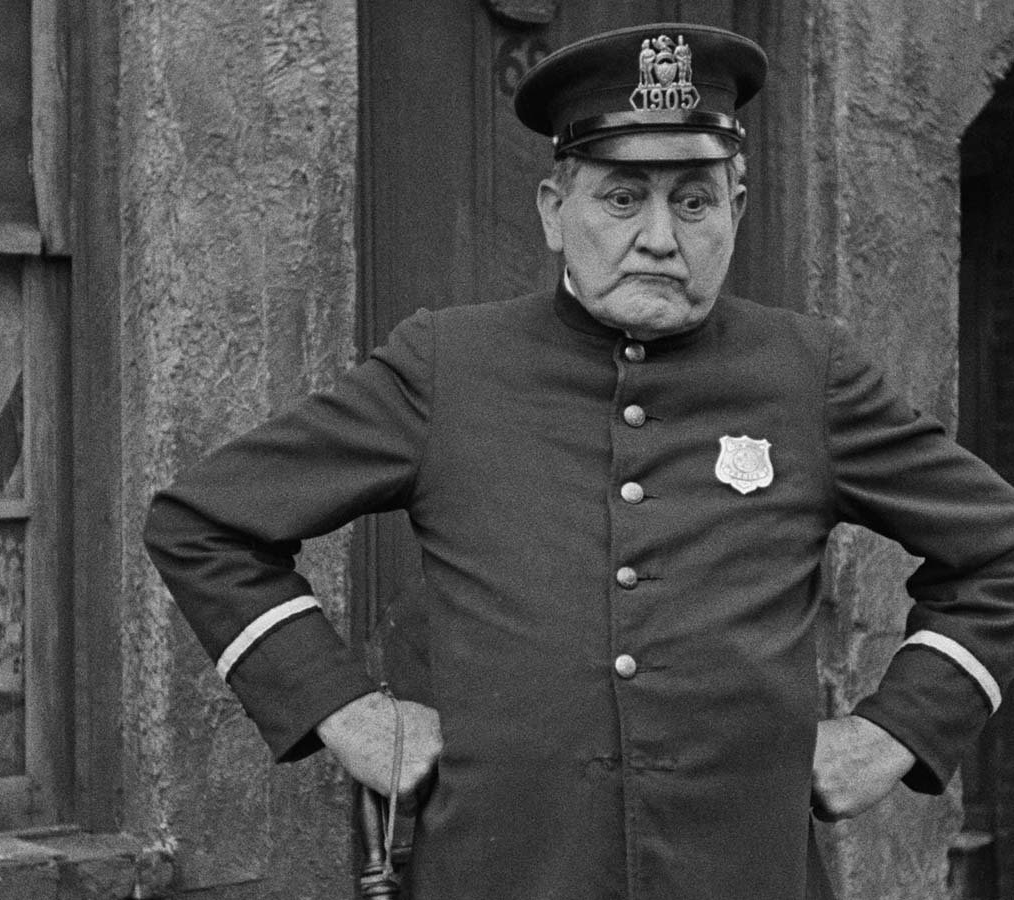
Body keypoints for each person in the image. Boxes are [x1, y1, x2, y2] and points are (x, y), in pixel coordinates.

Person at [143, 22, 1014, 900]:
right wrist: (342, 711)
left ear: (738, 209)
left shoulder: (806, 373)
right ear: (554, 212)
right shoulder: (449, 364)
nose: (660, 238)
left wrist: (895, 730)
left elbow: (998, 552)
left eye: (694, 202)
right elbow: (204, 525)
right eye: (622, 198)